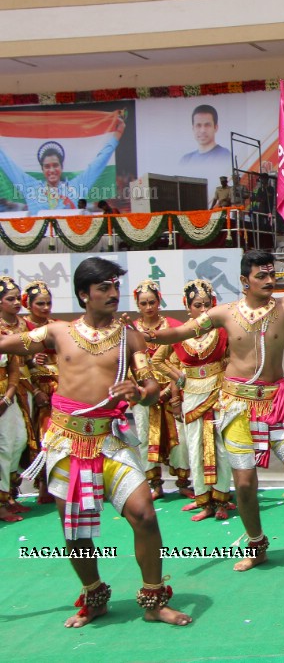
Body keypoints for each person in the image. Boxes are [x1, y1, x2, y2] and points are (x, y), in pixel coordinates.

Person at [143, 233, 284, 572]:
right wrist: (150, 335)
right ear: (244, 280)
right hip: (237, 407)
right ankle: (256, 544)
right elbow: (184, 332)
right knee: (244, 483)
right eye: (262, 275)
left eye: (272, 274)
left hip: (276, 404)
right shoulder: (224, 313)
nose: (270, 281)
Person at [0, 257, 192, 626]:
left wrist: (139, 391)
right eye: (103, 287)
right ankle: (95, 597)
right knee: (76, 530)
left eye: (115, 286)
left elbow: (152, 388)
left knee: (145, 516)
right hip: (67, 444)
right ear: (83, 294)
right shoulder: (57, 332)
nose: (113, 293)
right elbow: (9, 344)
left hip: (109, 442)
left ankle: (153, 602)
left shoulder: (130, 336)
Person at [151, 279, 233, 522]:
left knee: (221, 448)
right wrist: (178, 378)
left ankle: (222, 500)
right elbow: (157, 360)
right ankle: (204, 501)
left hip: (219, 392)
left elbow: (234, 355)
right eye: (198, 305)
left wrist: (226, 371)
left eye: (207, 304)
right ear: (188, 306)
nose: (203, 310)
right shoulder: (180, 333)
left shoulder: (221, 330)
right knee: (195, 447)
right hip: (192, 395)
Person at [0, 116, 126, 215]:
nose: (52, 170)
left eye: (55, 165)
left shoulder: (76, 187)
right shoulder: (30, 188)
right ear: (42, 170)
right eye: (47, 166)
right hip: (38, 246)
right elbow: (7, 164)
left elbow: (99, 163)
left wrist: (117, 135)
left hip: (69, 245)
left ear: (61, 167)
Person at [131, 280, 187, 500]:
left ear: (159, 301)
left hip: (170, 391)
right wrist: (140, 391)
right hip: (144, 393)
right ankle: (154, 484)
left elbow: (179, 361)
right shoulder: (132, 331)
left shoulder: (172, 326)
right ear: (138, 304)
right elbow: (127, 364)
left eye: (152, 302)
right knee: (144, 437)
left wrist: (170, 392)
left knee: (179, 438)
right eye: (143, 303)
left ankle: (183, 481)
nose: (148, 307)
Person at [22, 281, 57, 505]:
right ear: (30, 305)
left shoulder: (57, 326)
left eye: (48, 303)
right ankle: (43, 484)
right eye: (40, 304)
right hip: (33, 388)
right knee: (41, 436)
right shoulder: (23, 329)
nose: (45, 308)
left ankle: (61, 482)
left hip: (59, 387)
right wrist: (33, 362)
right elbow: (19, 364)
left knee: (60, 436)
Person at [0, 277, 28, 522]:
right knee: (2, 448)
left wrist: (8, 397)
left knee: (18, 441)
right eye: (10, 299)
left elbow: (13, 370)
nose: (16, 303)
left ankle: (8, 494)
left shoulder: (4, 336)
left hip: (7, 400)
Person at [180, 104, 231, 170]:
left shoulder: (224, 155)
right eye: (198, 125)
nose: (202, 130)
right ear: (193, 128)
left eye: (207, 125)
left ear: (215, 127)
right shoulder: (186, 160)